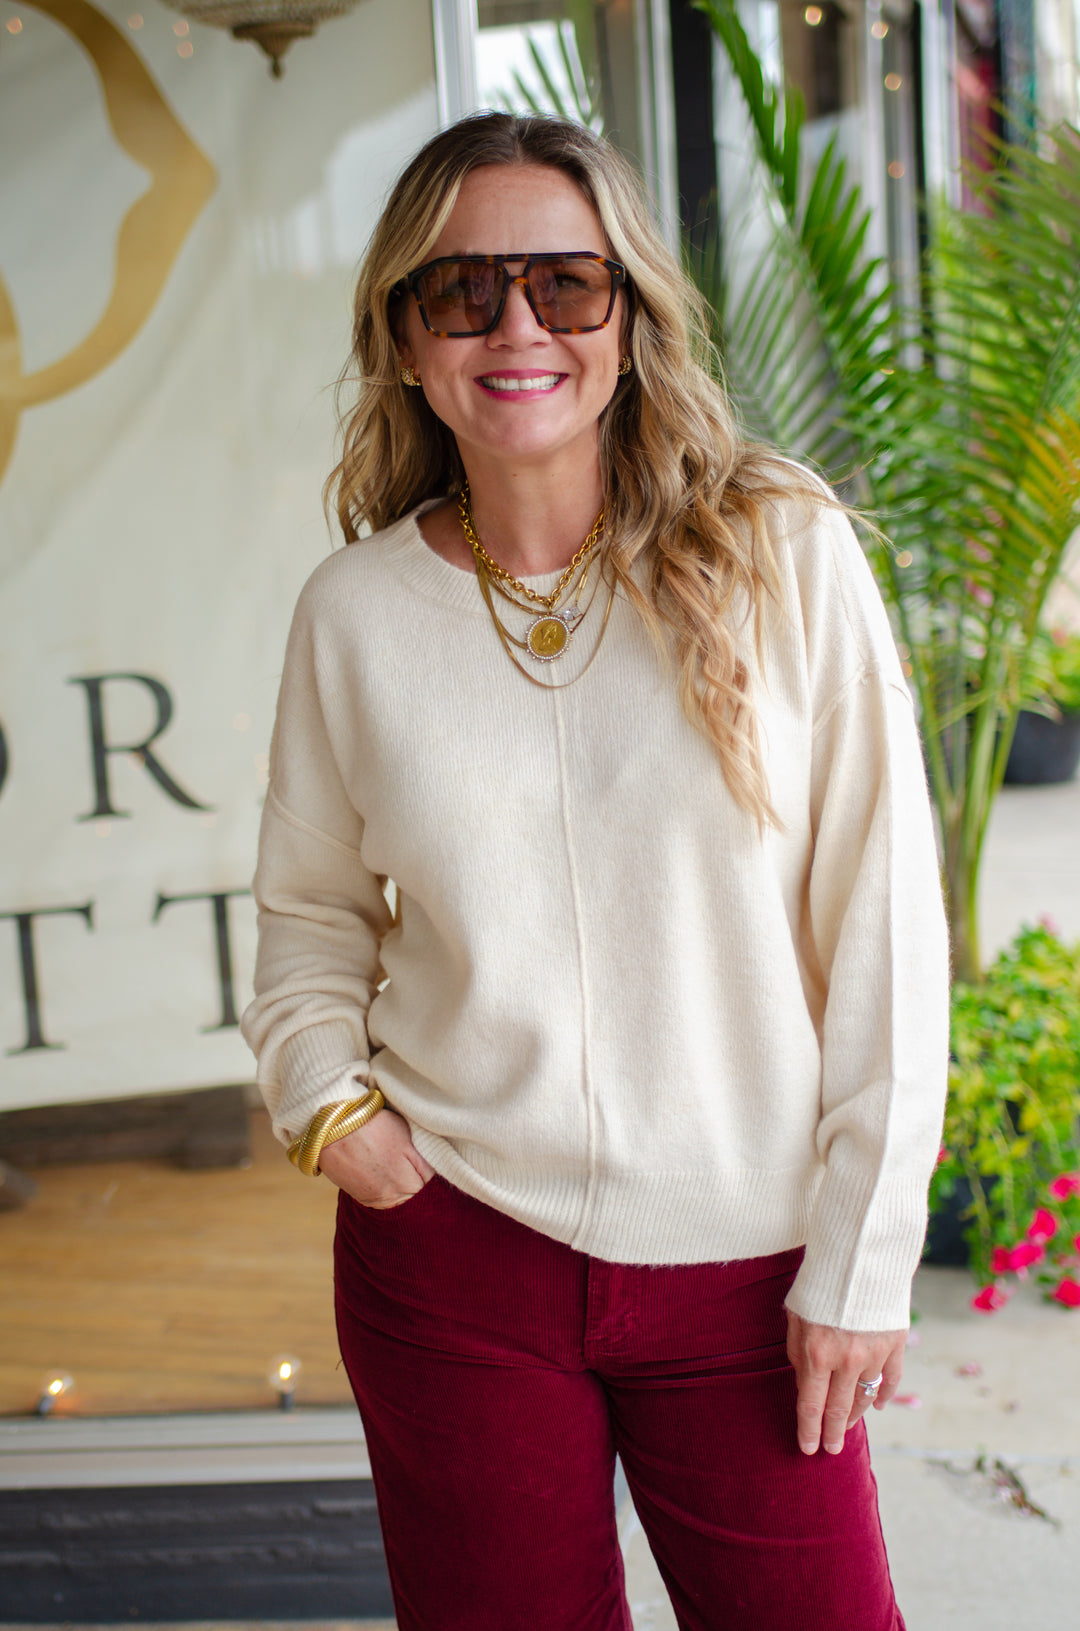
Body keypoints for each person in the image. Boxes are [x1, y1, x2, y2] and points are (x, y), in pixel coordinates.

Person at [241, 112, 948, 1631]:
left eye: (564, 283)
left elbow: (886, 926)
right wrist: (335, 1115)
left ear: (630, 315)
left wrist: (865, 1259)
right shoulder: (353, 613)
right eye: (464, 290)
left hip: (750, 1269)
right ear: (406, 337)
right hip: (454, 1260)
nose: (518, 328)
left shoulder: (783, 551)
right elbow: (308, 914)